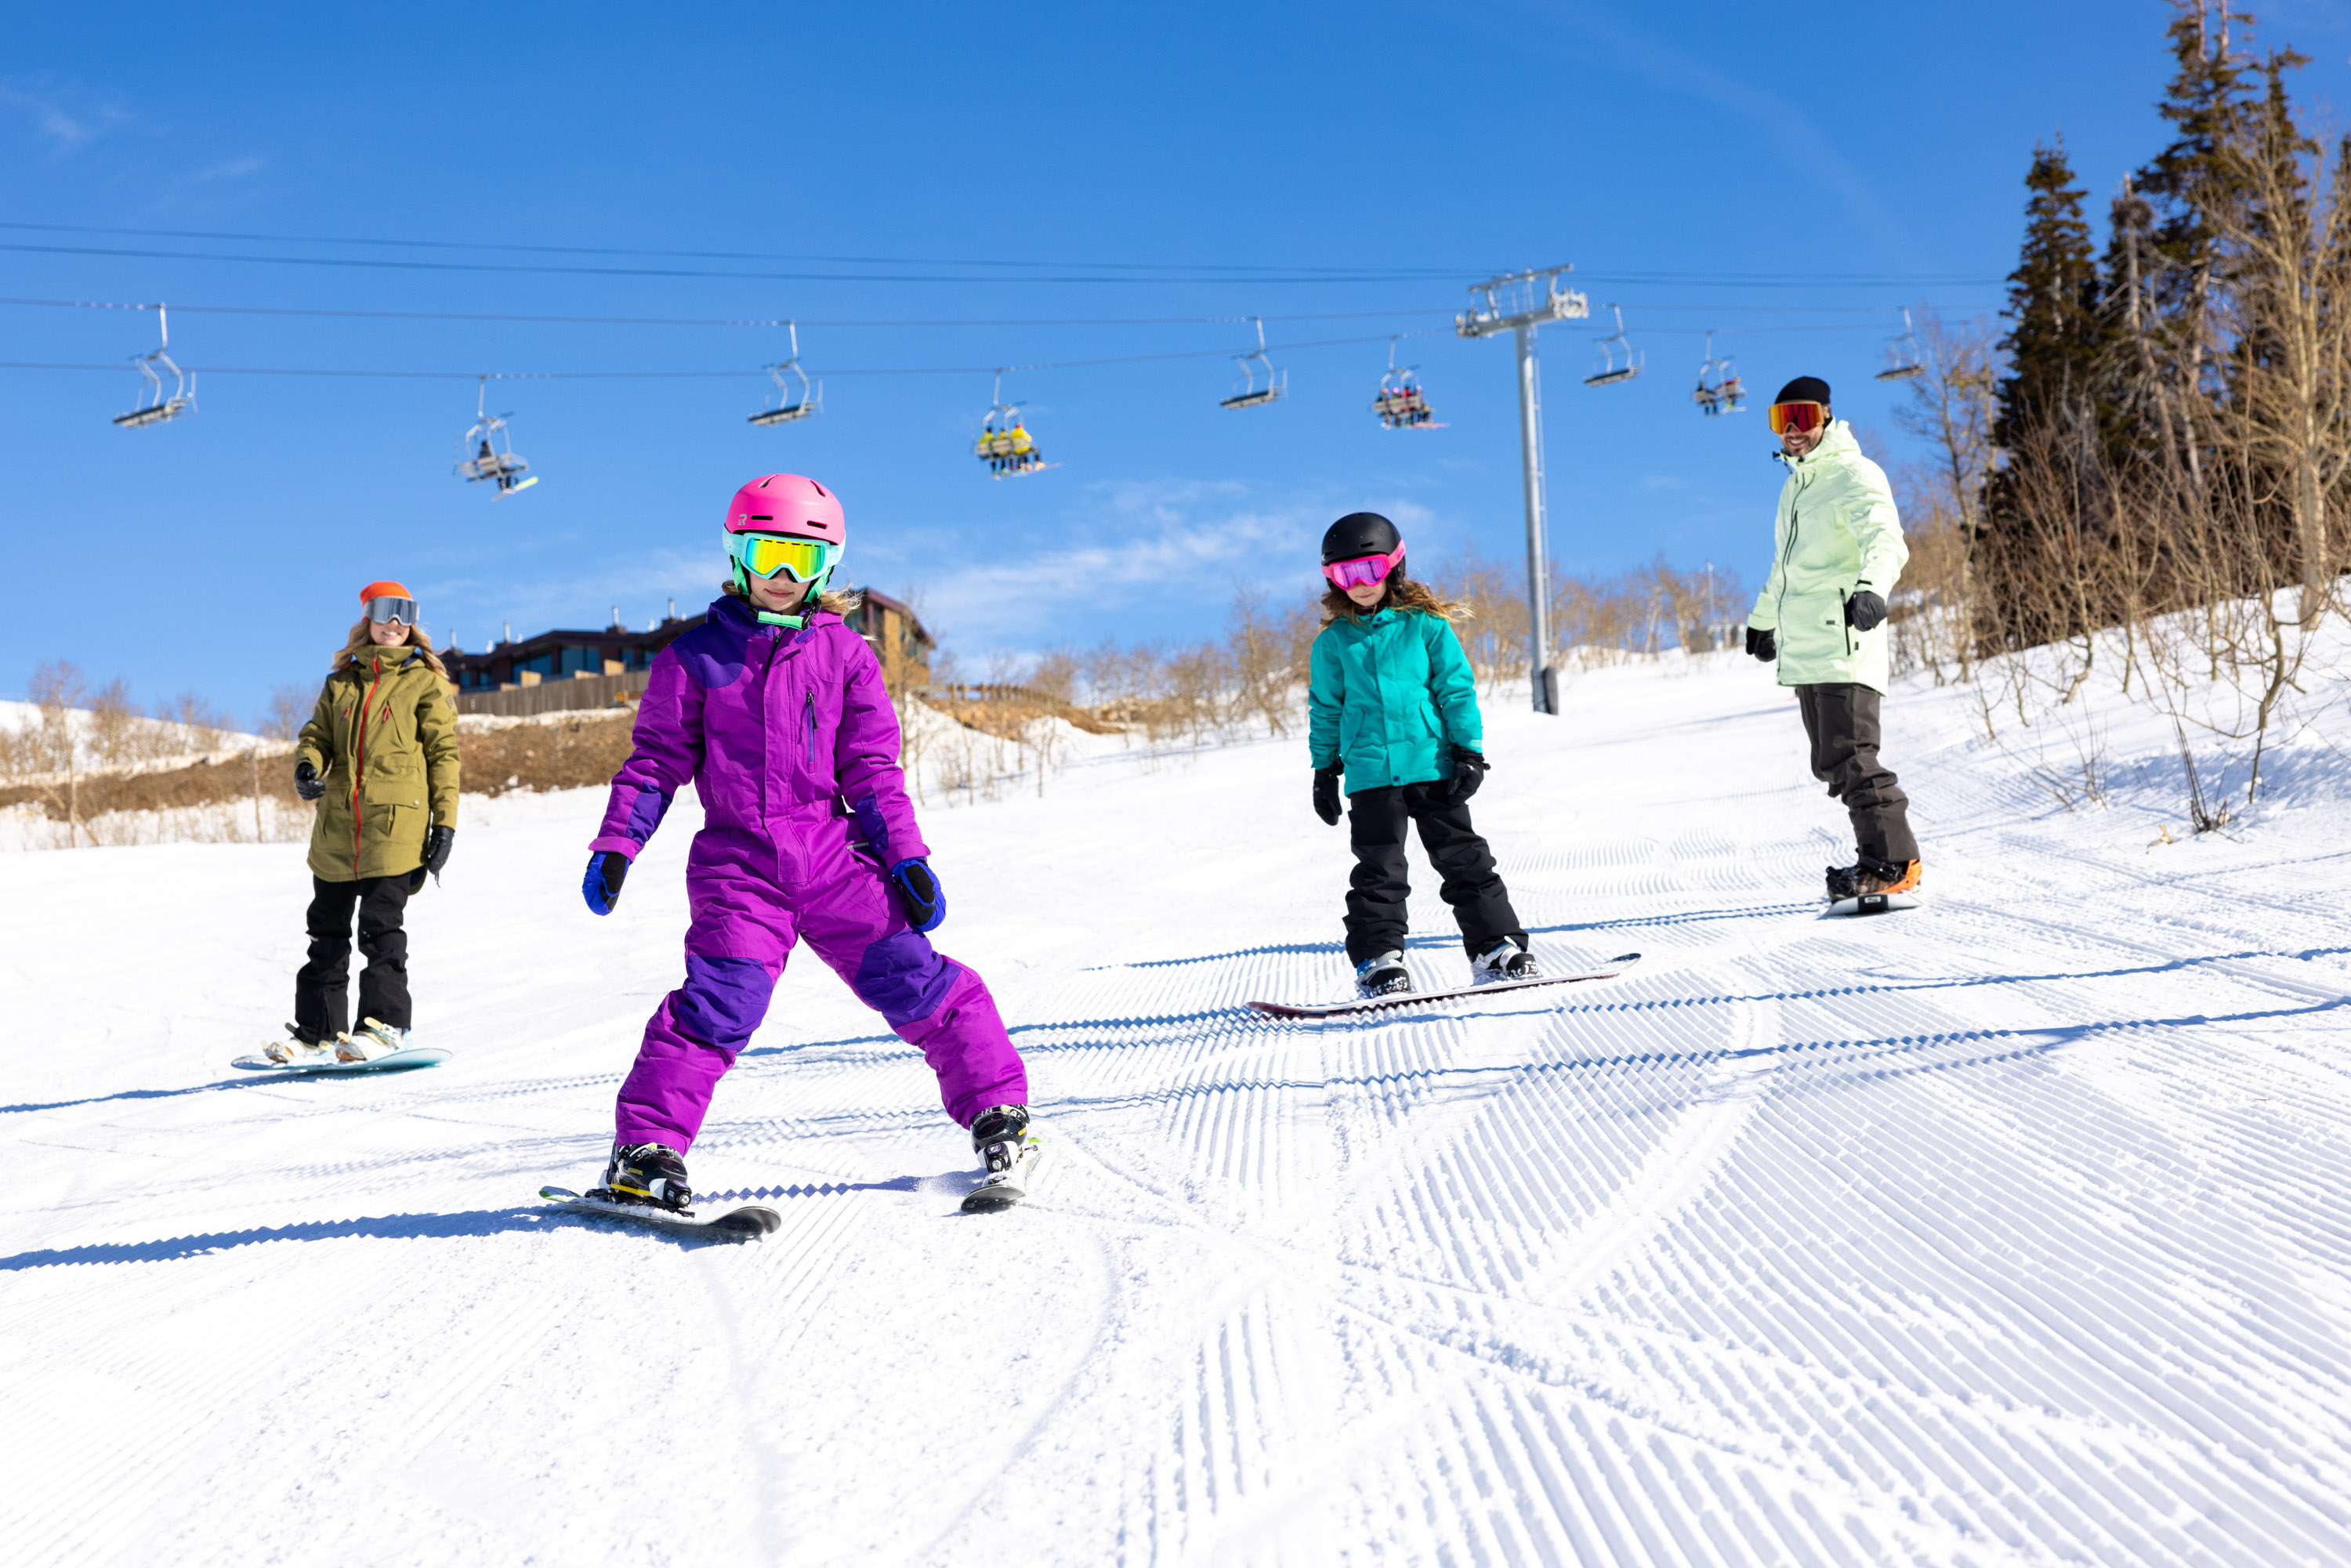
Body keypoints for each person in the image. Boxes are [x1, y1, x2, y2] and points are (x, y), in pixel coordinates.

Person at [578, 473, 1038, 1211]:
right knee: (721, 1004)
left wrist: (906, 857)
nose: (785, 575)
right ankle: (645, 1152)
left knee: (917, 980)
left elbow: (872, 768)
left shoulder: (848, 656)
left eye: (804, 558)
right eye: (769, 555)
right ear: (737, 556)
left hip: (835, 862)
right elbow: (656, 762)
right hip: (740, 869)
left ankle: (1000, 1117)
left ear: (828, 567)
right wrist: (618, 843)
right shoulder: (692, 658)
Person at [1306, 512, 1538, 999]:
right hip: (1371, 774)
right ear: (1332, 580)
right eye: (1346, 574)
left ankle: (1495, 949)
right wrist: (1324, 769)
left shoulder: (1426, 626)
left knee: (1465, 860)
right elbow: (1325, 709)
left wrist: (1468, 752)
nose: (1360, 584)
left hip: (1433, 764)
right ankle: (1378, 960)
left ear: (1393, 566)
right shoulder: (1332, 643)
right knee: (1379, 872)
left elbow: (1456, 690)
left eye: (1369, 569)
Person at [262, 581, 459, 1064]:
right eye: (385, 611)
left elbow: (443, 754)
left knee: (380, 928)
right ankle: (316, 1034)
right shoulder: (341, 683)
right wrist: (307, 765)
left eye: (405, 613)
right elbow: (317, 736)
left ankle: (384, 1028)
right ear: (367, 619)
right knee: (325, 934)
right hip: (337, 828)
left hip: (395, 827)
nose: (394, 623)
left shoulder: (424, 682)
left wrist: (445, 824)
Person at [1742, 376, 1922, 900]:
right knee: (1833, 763)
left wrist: (1872, 588)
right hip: (1808, 649)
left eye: (1802, 417)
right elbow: (1786, 569)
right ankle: (1876, 860)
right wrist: (1763, 620)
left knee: (1854, 758)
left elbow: (1886, 538)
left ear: (1825, 415)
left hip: (1845, 640)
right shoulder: (1796, 488)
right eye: (1781, 421)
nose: (1792, 431)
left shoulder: (1853, 472)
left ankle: (1893, 864)